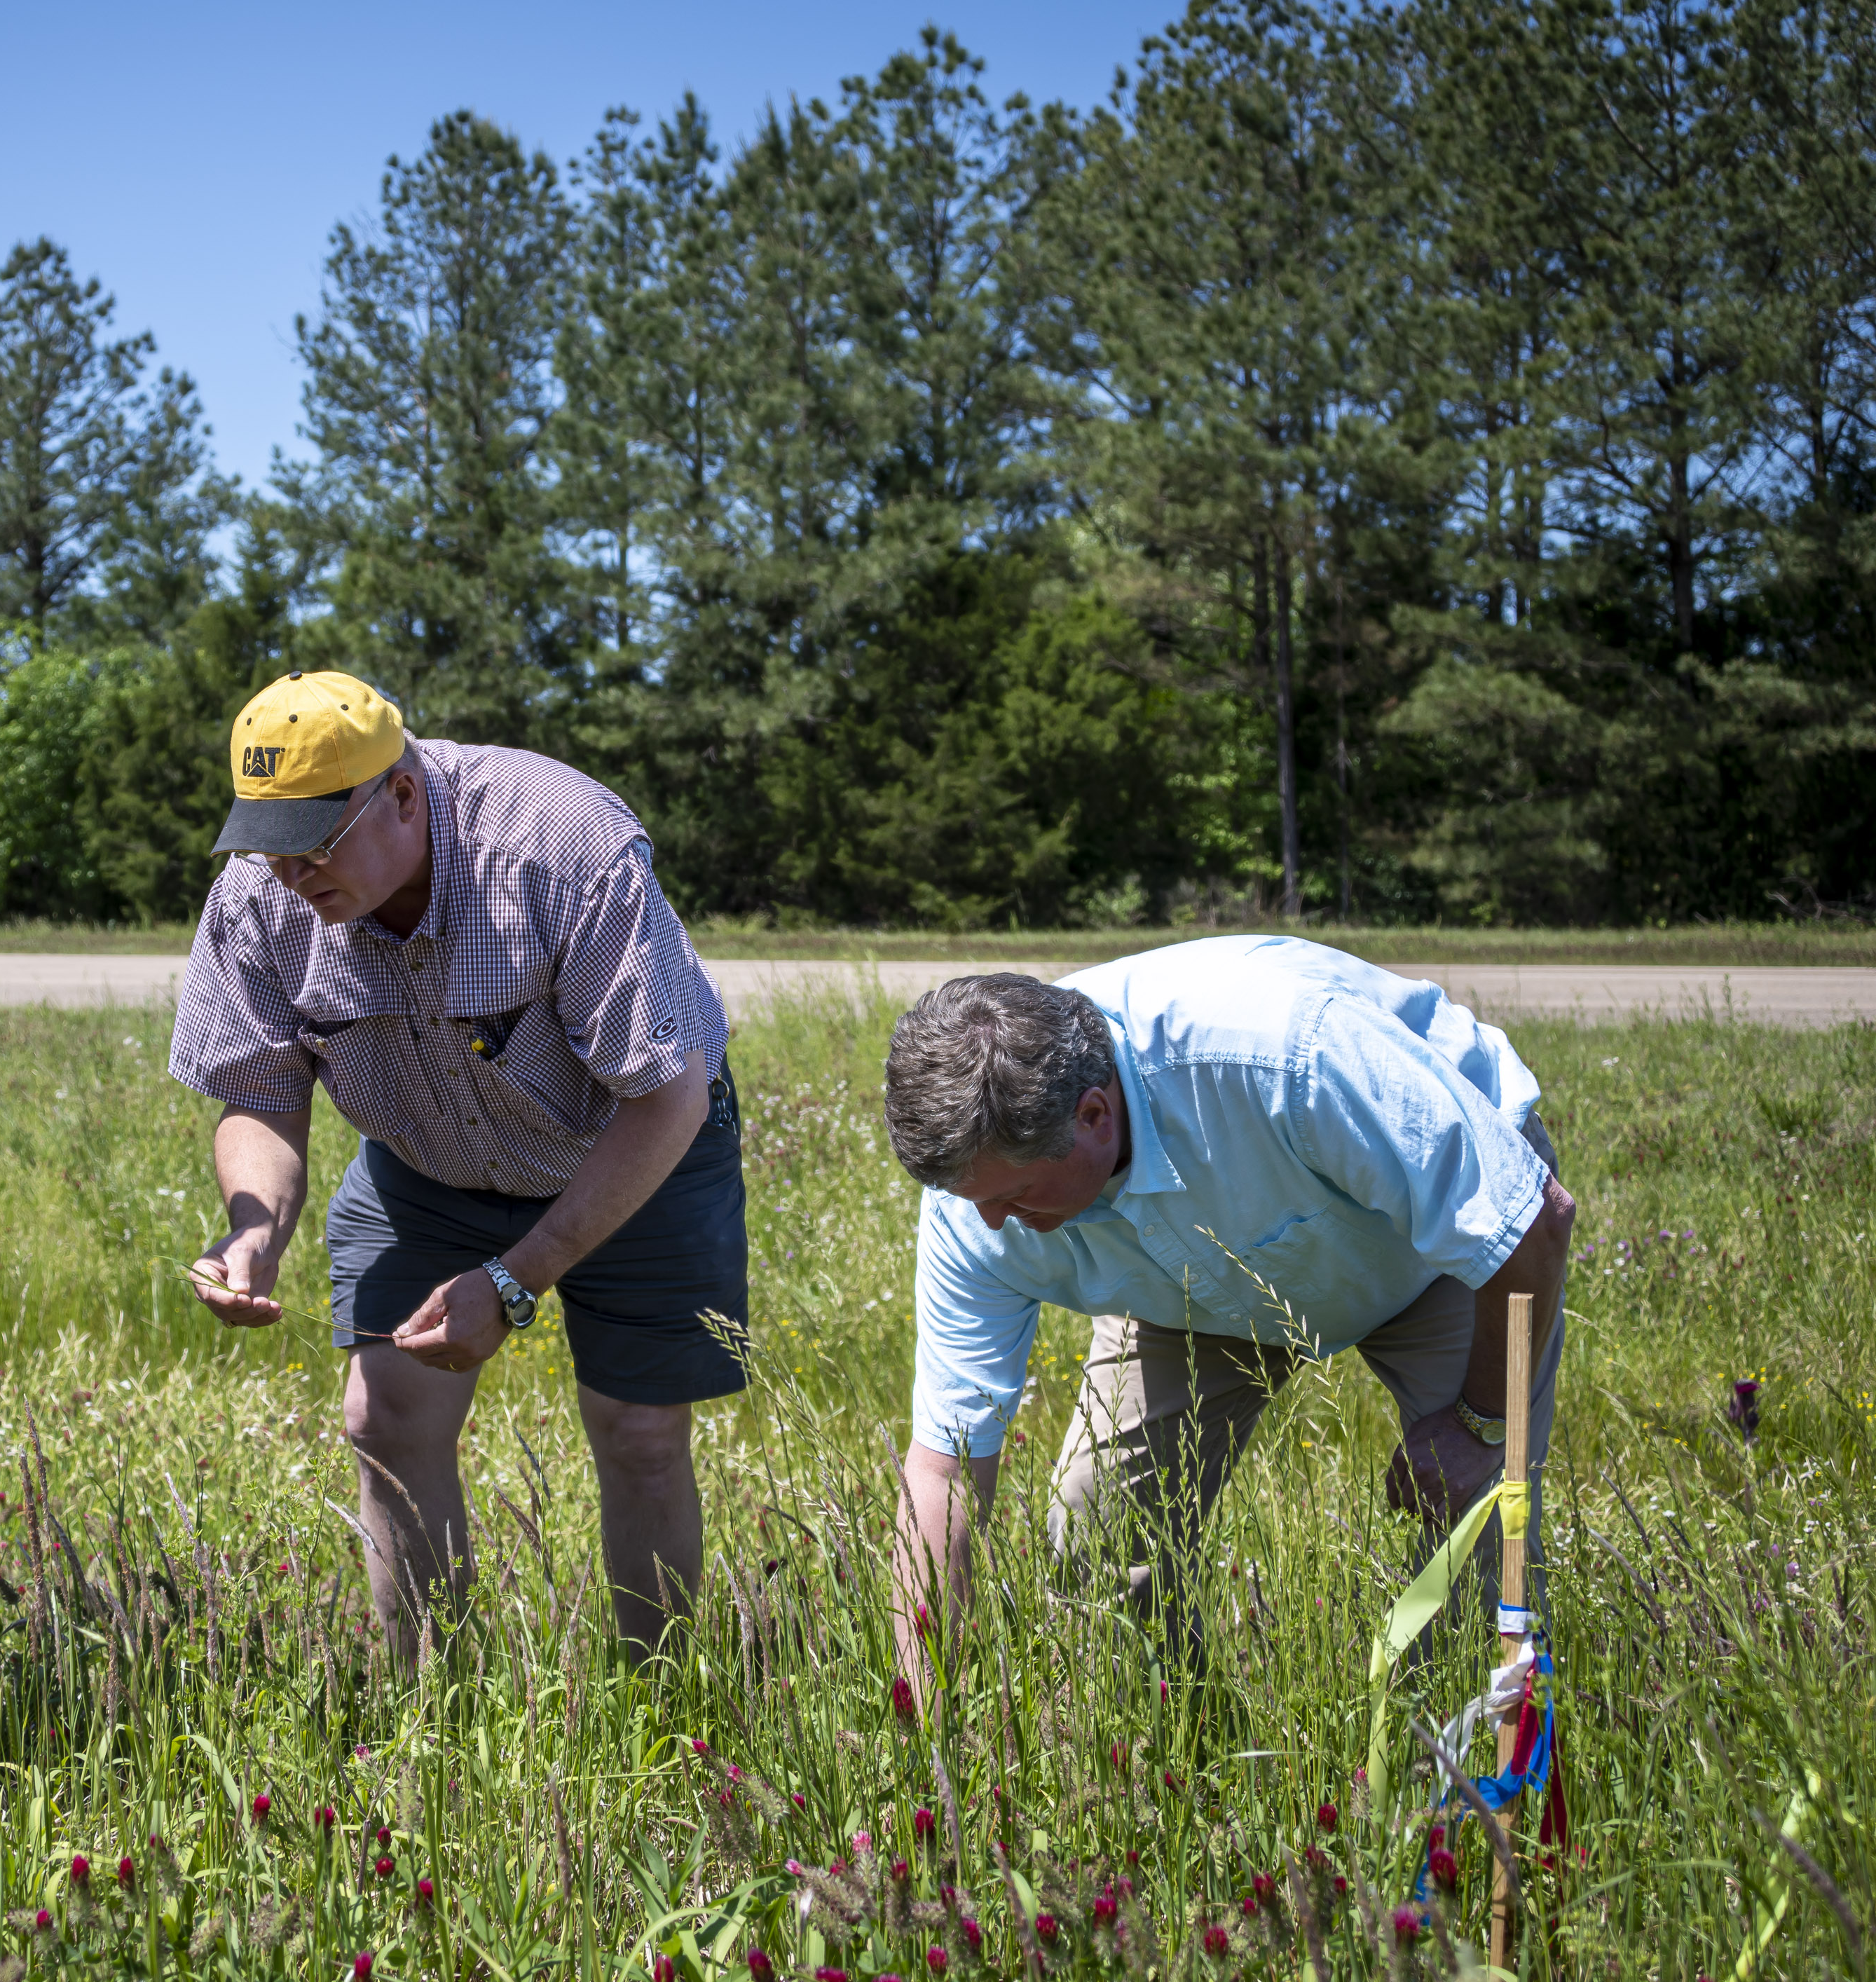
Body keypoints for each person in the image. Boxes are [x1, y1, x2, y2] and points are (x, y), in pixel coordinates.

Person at [170, 672, 747, 1655]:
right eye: (268, 847)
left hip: (628, 1151)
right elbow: (260, 1093)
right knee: (384, 1413)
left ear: (399, 795)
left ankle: (668, 1708)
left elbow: (664, 1095)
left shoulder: (557, 850)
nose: (290, 875)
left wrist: (517, 1281)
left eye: (314, 841)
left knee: (640, 1437)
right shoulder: (257, 902)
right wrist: (253, 1226)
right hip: (425, 1163)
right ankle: (431, 1707)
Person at [883, 936, 1576, 1672]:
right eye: (975, 1200)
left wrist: (1479, 1421)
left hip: (1427, 1252)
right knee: (1099, 1536)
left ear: (1093, 1114)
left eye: (1013, 1197)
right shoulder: (973, 1199)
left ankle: (1467, 1768)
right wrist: (929, 1729)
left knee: (1480, 1527)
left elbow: (1530, 1219)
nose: (990, 1222)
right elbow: (946, 1472)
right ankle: (1157, 1763)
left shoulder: (1286, 1052)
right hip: (1188, 1292)